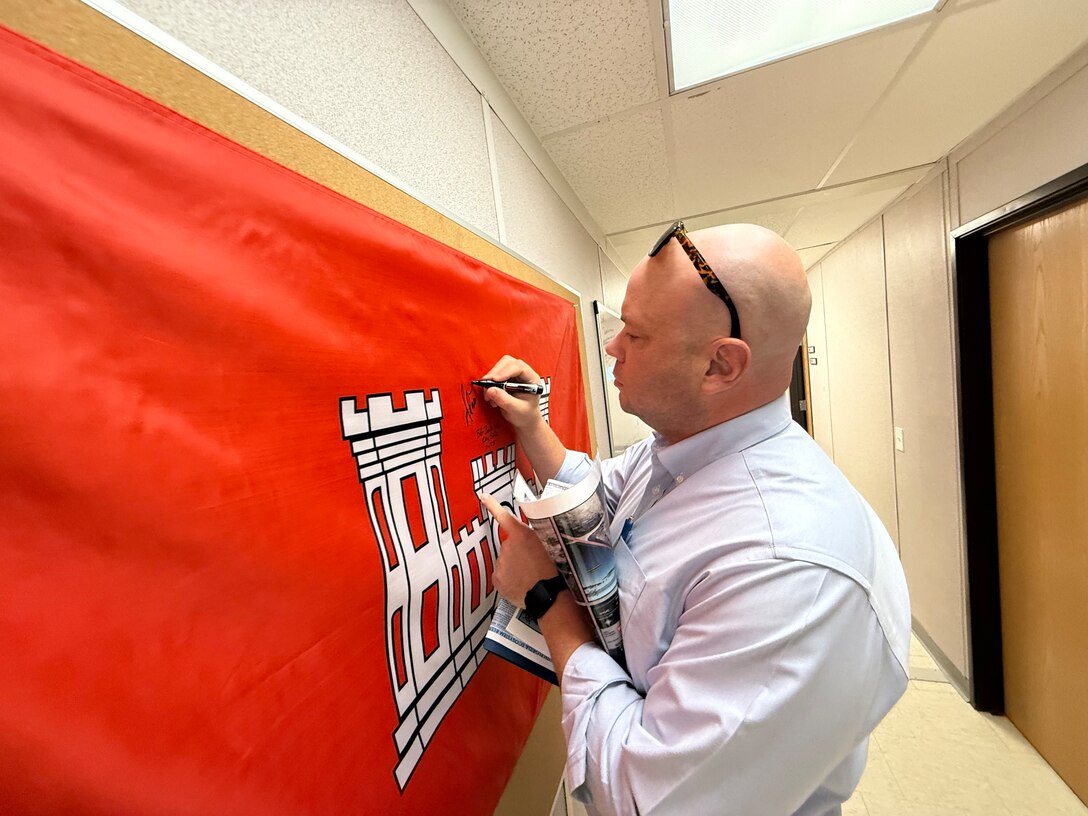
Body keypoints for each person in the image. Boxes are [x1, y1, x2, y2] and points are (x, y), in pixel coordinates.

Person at [477, 222, 910, 816]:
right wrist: (532, 425)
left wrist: (547, 598)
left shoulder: (788, 569)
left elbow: (644, 797)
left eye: (637, 334)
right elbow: (605, 499)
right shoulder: (680, 447)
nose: (611, 347)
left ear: (719, 367)